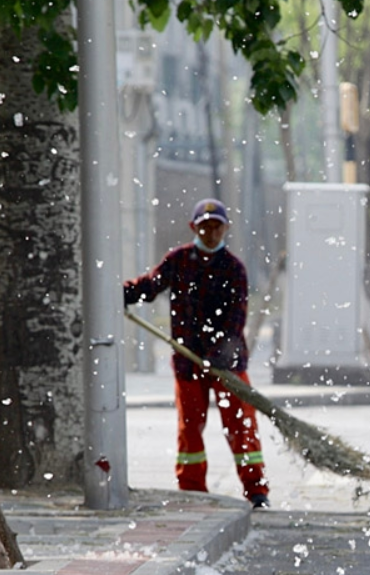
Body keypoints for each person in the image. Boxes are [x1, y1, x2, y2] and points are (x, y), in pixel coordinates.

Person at [123, 199, 271, 509]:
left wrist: (219, 354)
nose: (211, 232)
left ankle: (256, 490)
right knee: (190, 428)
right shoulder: (178, 261)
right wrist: (123, 293)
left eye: (217, 227)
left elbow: (236, 319)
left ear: (225, 229)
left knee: (241, 426)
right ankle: (192, 490)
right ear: (194, 227)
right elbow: (150, 286)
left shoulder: (234, 269)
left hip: (228, 366)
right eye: (205, 227)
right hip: (187, 363)